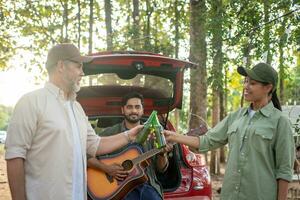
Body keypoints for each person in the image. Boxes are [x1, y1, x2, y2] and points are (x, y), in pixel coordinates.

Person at [4, 43, 143, 200]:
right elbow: (15, 156)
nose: (82, 73)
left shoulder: (77, 108)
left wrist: (130, 135)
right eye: (78, 66)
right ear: (61, 66)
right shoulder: (30, 102)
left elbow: (95, 145)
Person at [164, 62, 295, 200]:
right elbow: (206, 141)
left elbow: (284, 171)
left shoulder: (280, 122)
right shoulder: (235, 117)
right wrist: (173, 136)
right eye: (245, 82)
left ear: (268, 87)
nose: (246, 87)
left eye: (253, 83)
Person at [87, 92, 173, 200]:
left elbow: (161, 169)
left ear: (142, 110)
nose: (134, 111)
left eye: (137, 107)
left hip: (147, 186)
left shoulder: (154, 134)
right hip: (118, 188)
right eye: (129, 107)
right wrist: (107, 168)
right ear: (123, 110)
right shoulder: (110, 133)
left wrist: (163, 154)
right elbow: (86, 155)